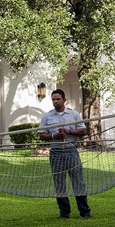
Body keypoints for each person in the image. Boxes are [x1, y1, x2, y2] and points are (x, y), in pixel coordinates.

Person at [37, 89, 92, 219]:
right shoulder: (47, 116)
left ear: (64, 100)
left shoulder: (73, 114)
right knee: (59, 183)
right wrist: (53, 135)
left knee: (78, 182)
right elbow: (41, 135)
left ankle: (85, 212)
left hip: (71, 151)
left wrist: (69, 132)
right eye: (53, 99)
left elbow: (83, 130)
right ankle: (64, 212)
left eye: (58, 99)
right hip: (56, 153)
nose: (55, 102)